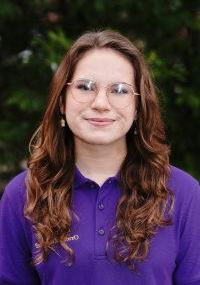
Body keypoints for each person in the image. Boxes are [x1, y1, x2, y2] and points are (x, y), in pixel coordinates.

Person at [0, 30, 200, 285]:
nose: (101, 103)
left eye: (119, 90)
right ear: (62, 101)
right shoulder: (23, 194)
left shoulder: (183, 194)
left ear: (139, 107)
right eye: (84, 87)